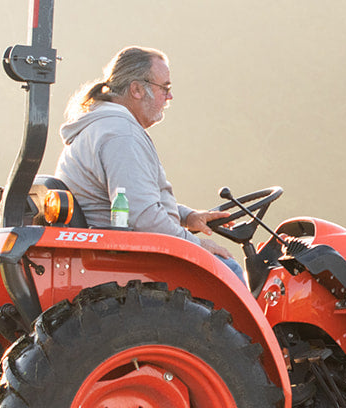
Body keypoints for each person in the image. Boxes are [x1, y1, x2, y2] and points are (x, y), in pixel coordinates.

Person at [53, 46, 242, 276]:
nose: (169, 96)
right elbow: (143, 217)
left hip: (112, 251)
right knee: (229, 269)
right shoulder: (122, 135)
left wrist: (187, 217)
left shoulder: (103, 127)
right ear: (136, 89)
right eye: (165, 88)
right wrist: (197, 245)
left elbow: (131, 198)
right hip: (126, 261)